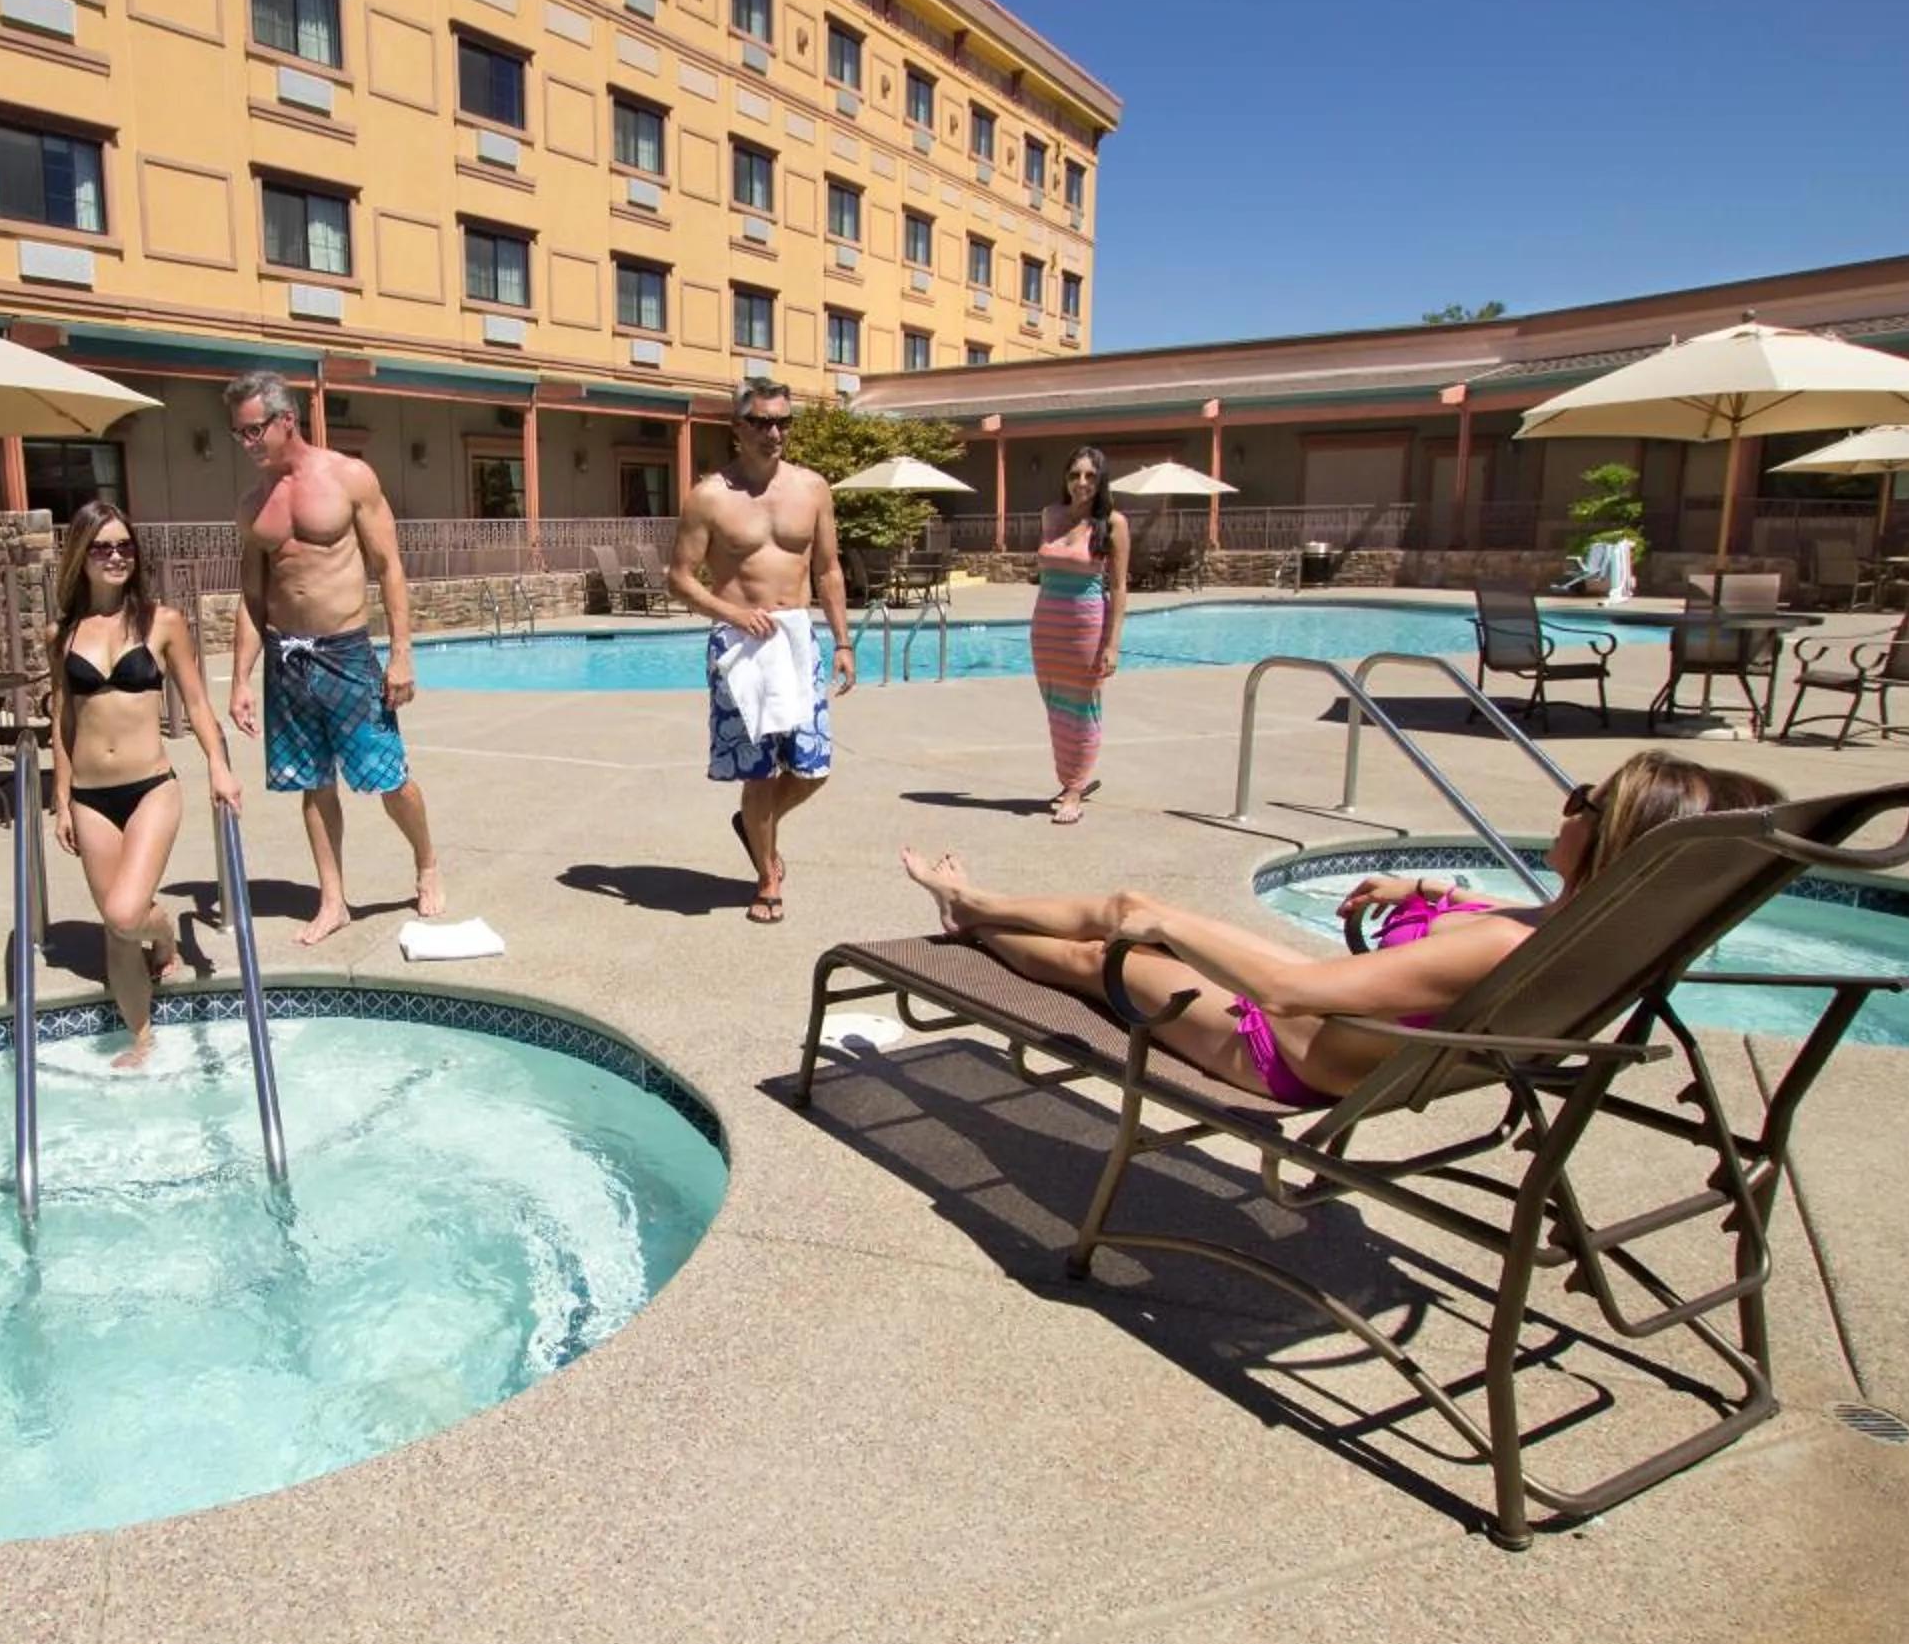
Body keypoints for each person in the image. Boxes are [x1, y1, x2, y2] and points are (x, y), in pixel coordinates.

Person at [898, 750, 1782, 1105]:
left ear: (1613, 840)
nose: (1568, 806)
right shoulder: (1585, 931)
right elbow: (1482, 936)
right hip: (1340, 1037)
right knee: (1131, 924)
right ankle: (975, 904)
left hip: (1283, 1048)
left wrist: (1162, 919)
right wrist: (1425, 888)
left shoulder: (1506, 944)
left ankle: (971, 915)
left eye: (1586, 801)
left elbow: (1290, 991)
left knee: (1107, 947)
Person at [222, 369, 443, 945]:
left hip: (347, 653)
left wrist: (401, 655)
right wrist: (240, 678)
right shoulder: (252, 504)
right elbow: (252, 596)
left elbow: (389, 566)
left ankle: (426, 862)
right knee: (313, 782)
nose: (246, 443)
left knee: (389, 776)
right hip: (287, 659)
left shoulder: (349, 477)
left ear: (286, 420)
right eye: (238, 434)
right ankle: (333, 899)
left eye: (253, 430)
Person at [47, 506, 240, 1067]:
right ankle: (142, 1038)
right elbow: (63, 720)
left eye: (124, 546)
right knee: (115, 927)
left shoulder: (163, 622)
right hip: (90, 797)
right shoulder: (61, 634)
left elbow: (197, 703)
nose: (116, 556)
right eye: (102, 547)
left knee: (125, 913)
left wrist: (218, 764)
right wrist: (62, 798)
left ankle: (163, 935)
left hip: (150, 787)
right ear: (81, 555)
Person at [667, 378, 855, 924]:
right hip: (740, 644)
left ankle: (754, 825)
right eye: (761, 422)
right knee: (760, 774)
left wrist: (842, 640)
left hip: (796, 640)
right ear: (737, 427)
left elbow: (828, 570)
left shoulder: (813, 488)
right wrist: (732, 614)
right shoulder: (709, 497)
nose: (774, 432)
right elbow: (679, 579)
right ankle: (767, 874)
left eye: (783, 421)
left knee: (813, 769)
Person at [1031, 444, 1128, 826]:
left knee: (1083, 708)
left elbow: (1118, 587)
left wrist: (1112, 644)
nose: (1081, 482)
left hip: (1086, 627)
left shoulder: (1113, 523)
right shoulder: (1050, 515)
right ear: (1065, 478)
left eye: (1090, 475)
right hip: (1047, 627)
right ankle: (1069, 778)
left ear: (1101, 481)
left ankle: (1074, 789)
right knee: (1057, 708)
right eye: (1075, 474)